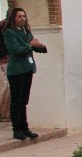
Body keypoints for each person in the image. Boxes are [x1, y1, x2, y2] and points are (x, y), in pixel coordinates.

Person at [4, 7, 47, 140]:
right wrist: (30, 45)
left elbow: (35, 46)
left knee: (24, 100)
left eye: (24, 16)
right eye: (19, 16)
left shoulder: (26, 31)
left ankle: (24, 127)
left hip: (27, 68)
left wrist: (40, 46)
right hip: (16, 71)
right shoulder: (9, 33)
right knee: (16, 100)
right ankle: (16, 129)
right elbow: (16, 50)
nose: (22, 19)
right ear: (13, 18)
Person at [0, 17, 10, 123]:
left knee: (6, 87)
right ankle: (5, 113)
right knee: (8, 87)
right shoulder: (6, 31)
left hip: (4, 60)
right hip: (5, 61)